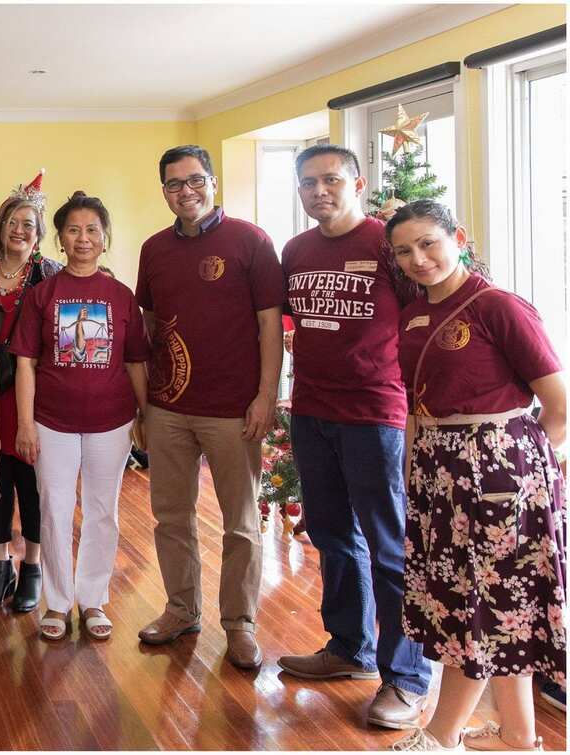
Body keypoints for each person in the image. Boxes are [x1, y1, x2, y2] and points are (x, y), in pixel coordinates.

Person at [384, 200, 565, 751]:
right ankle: (519, 737)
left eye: (429, 243)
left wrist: (518, 480)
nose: (418, 259)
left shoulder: (498, 306)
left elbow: (558, 406)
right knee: (487, 607)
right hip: (441, 475)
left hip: (498, 481)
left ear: (457, 237)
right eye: (404, 251)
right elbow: (419, 405)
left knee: (482, 607)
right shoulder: (416, 314)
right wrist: (415, 474)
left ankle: (440, 736)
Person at [276, 145, 431, 729]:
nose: (320, 190)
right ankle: (349, 649)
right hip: (313, 410)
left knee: (390, 545)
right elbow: (291, 324)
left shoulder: (386, 244)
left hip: (377, 415)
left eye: (332, 180)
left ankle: (407, 678)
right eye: (309, 182)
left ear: (358, 183)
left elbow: (426, 314)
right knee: (333, 534)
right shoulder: (295, 251)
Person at [133, 145, 285, 671]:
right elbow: (149, 328)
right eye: (175, 184)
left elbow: (271, 327)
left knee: (240, 522)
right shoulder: (153, 249)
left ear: (213, 181)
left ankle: (240, 623)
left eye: (195, 180)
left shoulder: (251, 241)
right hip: (168, 408)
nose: (186, 191)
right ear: (164, 192)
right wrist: (142, 406)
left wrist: (267, 396)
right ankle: (181, 609)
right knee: (170, 516)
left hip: (234, 409)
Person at [10, 191, 150, 642]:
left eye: (92, 230)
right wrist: (26, 423)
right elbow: (26, 363)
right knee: (52, 509)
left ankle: (92, 598)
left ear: (105, 238)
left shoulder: (122, 296)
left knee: (101, 511)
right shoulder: (43, 295)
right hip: (52, 421)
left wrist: (144, 414)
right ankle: (57, 601)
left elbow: (134, 363)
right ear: (60, 239)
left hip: (112, 420)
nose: (83, 238)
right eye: (73, 230)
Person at [0, 171, 62, 613]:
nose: (20, 230)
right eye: (13, 222)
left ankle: (33, 567)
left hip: (34, 393)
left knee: (34, 483)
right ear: (0, 225)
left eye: (30, 224)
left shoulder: (50, 275)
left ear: (39, 234)